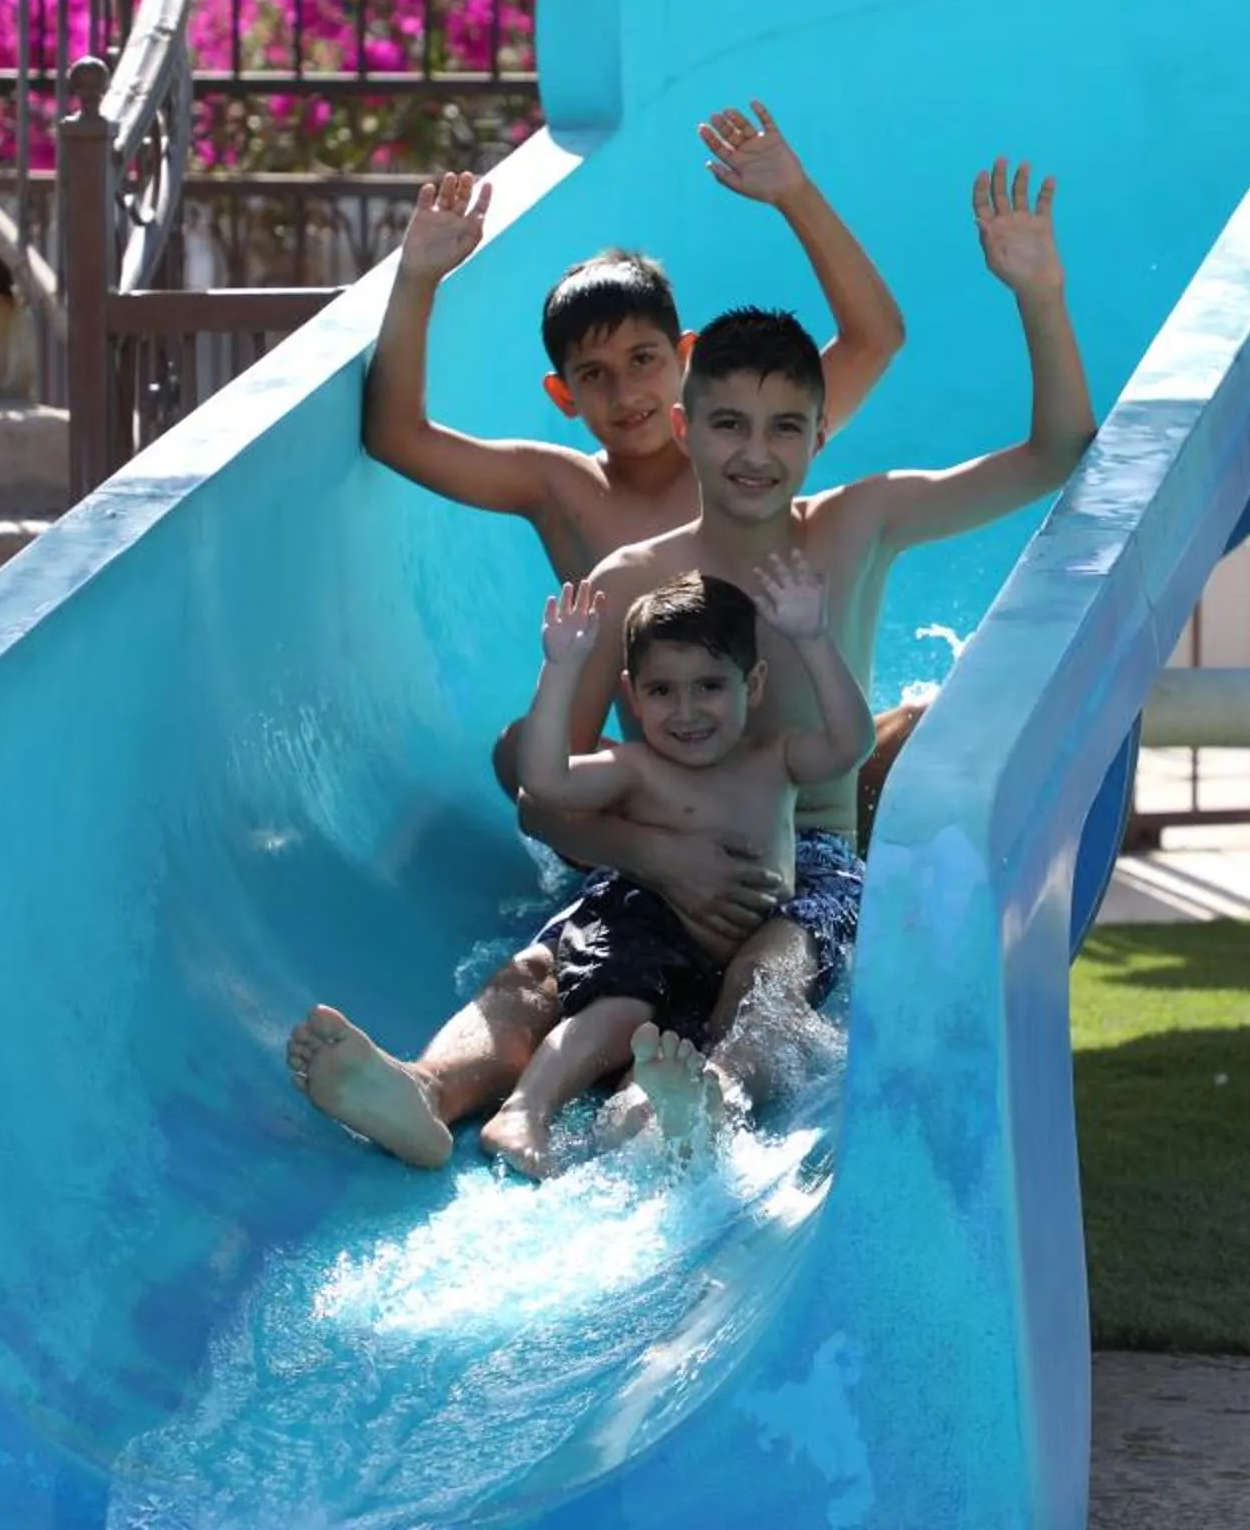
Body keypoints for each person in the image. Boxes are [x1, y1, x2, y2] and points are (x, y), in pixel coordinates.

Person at [288, 159, 1093, 1166]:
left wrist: (1041, 294)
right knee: (537, 972)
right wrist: (655, 853)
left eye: (784, 429)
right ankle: (424, 1087)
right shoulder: (631, 574)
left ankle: (694, 1099)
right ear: (688, 425)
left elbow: (1057, 450)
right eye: (728, 426)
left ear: (816, 435)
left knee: (773, 973)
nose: (754, 451)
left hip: (806, 859)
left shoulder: (857, 523)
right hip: (659, 849)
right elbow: (545, 787)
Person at [361, 101, 904, 585]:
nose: (625, 392)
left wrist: (796, 197)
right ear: (563, 395)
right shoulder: (563, 489)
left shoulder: (746, 443)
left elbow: (875, 339)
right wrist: (416, 278)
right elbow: (396, 438)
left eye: (643, 359)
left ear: (686, 357)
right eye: (594, 374)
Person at [478, 562, 873, 1178]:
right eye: (662, 691)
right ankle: (525, 1111)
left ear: (755, 683)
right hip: (657, 935)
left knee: (738, 1020)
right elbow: (545, 780)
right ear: (633, 694)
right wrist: (560, 669)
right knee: (611, 1010)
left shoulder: (776, 759)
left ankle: (664, 1112)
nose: (686, 710)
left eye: (710, 685)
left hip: (740, 948)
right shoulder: (635, 769)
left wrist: (814, 637)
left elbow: (852, 743)